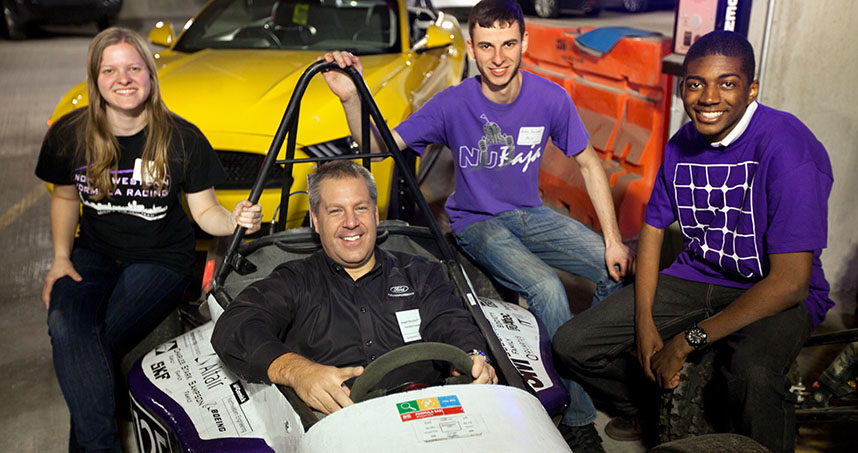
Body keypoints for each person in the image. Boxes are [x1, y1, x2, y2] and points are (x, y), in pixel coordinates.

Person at [319, 0, 633, 450]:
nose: (498, 57)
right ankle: (578, 419)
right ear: (472, 46)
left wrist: (613, 240)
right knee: (546, 288)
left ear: (526, 42)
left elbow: (588, 163)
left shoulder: (550, 97)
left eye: (508, 44)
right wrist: (351, 97)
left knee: (612, 269)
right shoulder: (453, 103)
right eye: (486, 46)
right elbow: (378, 147)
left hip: (533, 213)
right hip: (477, 223)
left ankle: (590, 368)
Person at [552, 31, 834, 453]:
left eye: (727, 83)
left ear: (752, 89)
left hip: (769, 289)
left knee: (751, 373)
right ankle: (645, 407)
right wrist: (644, 322)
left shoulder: (787, 146)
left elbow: (790, 282)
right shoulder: (681, 145)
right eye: (696, 83)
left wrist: (686, 342)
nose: (708, 97)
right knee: (571, 345)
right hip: (696, 277)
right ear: (683, 86)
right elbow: (651, 230)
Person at [35, 27, 263, 452]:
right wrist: (61, 259)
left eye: (133, 67)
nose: (123, 79)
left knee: (91, 338)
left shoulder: (181, 137)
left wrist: (235, 220)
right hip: (95, 254)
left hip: (161, 261)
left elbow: (204, 212)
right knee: (65, 323)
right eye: (110, 70)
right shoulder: (72, 133)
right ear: (96, 78)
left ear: (150, 74)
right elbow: (65, 197)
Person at [212, 160, 497, 415]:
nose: (351, 222)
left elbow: (452, 322)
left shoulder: (421, 272)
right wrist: (298, 372)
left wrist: (473, 356)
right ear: (316, 221)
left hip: (431, 414)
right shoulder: (295, 280)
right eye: (336, 211)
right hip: (339, 428)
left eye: (360, 208)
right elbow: (235, 325)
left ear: (375, 214)